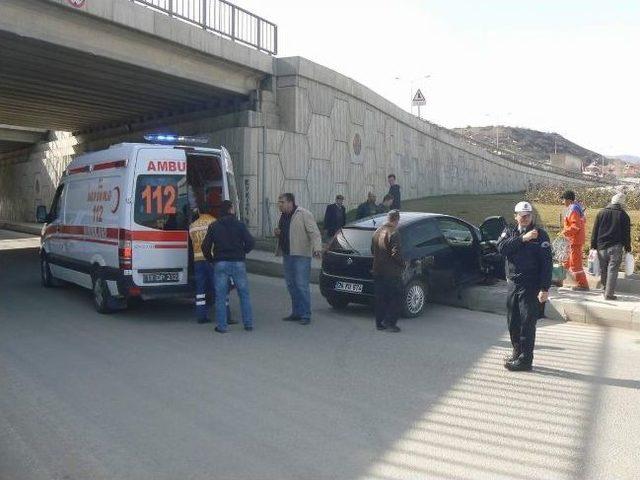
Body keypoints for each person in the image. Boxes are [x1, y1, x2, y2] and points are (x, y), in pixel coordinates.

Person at [497, 201, 552, 372]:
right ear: (516, 216)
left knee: (527, 323)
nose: (525, 218)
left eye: (528, 215)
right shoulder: (510, 231)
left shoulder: (541, 235)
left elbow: (547, 264)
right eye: (522, 215)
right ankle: (516, 352)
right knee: (513, 320)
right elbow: (501, 248)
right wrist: (522, 239)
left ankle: (525, 360)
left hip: (531, 285)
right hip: (513, 283)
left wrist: (544, 288)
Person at [202, 200, 255, 333]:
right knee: (244, 294)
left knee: (220, 295)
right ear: (231, 209)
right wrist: (243, 252)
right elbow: (250, 242)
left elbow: (205, 246)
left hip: (220, 263)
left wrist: (211, 259)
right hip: (238, 262)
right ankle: (248, 324)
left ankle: (222, 326)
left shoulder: (214, 226)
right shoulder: (240, 225)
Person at [274, 193, 322, 325]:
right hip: (287, 254)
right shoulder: (283, 216)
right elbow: (285, 232)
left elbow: (315, 233)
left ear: (290, 202)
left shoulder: (303, 214)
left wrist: (317, 248)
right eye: (279, 202)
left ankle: (306, 314)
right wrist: (277, 232)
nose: (279, 204)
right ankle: (296, 312)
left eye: (282, 202)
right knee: (291, 285)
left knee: (301, 285)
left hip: (301, 255)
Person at [591, 192, 632, 300]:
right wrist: (628, 248)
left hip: (601, 246)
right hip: (616, 247)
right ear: (621, 204)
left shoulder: (601, 213)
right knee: (613, 270)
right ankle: (609, 294)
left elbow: (595, 230)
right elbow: (626, 234)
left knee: (603, 269)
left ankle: (605, 289)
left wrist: (593, 245)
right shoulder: (624, 215)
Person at [371, 209, 404, 333]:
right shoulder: (394, 233)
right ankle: (390, 322)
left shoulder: (377, 231)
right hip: (391, 271)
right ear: (397, 220)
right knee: (397, 296)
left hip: (377, 270)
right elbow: (396, 252)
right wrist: (402, 263)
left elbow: (372, 250)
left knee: (381, 297)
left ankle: (379, 323)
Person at [188, 207, 216, 324]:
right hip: (211, 258)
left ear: (199, 211)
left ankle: (201, 315)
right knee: (217, 287)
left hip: (198, 259)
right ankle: (222, 314)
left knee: (200, 289)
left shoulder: (192, 226)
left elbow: (191, 242)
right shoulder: (213, 222)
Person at [561, 190, 589, 291]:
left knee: (575, 264)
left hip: (574, 240)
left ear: (568, 199)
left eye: (563, 199)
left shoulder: (573, 209)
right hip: (573, 240)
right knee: (566, 262)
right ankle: (558, 280)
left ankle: (583, 284)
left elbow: (575, 226)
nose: (562, 202)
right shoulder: (577, 208)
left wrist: (564, 232)